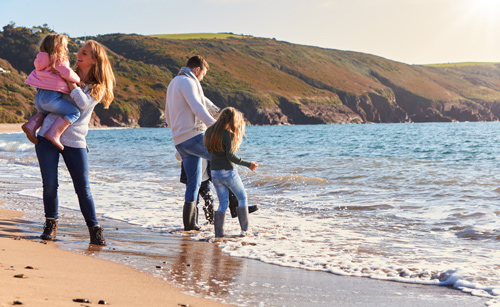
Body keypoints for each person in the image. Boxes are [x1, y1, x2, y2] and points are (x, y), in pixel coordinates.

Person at [34, 40, 115, 245]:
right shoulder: (65, 71)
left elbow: (83, 103)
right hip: (48, 135)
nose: (79, 55)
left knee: (83, 189)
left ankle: (94, 229)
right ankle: (51, 224)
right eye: (80, 51)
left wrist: (70, 83)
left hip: (76, 140)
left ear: (95, 60)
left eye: (85, 53)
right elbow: (45, 92)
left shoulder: (98, 87)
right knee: (50, 185)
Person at [165, 55, 219, 231]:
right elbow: (198, 107)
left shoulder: (173, 83)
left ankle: (190, 225)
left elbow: (167, 115)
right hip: (193, 137)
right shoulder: (188, 82)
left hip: (181, 142)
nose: (202, 78)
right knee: (224, 157)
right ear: (197, 70)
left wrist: (176, 135)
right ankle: (236, 206)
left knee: (193, 183)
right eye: (202, 74)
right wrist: (215, 126)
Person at [204, 107, 258, 237]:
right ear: (233, 120)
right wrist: (249, 164)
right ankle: (245, 231)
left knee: (223, 203)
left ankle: (218, 235)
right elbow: (231, 157)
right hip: (228, 171)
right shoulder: (229, 134)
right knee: (242, 198)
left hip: (215, 172)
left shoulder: (209, 132)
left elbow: (208, 151)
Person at [22, 33, 82, 151]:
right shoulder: (58, 59)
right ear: (57, 47)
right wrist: (79, 80)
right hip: (51, 98)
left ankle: (31, 125)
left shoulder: (40, 60)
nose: (67, 49)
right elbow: (67, 73)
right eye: (65, 46)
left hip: (39, 99)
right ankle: (54, 134)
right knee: (74, 113)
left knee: (46, 113)